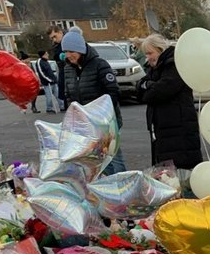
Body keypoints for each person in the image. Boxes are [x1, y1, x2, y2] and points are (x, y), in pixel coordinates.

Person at [61, 29, 126, 175]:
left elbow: (113, 91)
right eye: (66, 51)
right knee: (99, 160)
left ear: (81, 50)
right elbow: (69, 95)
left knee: (114, 157)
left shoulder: (99, 64)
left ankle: (123, 186)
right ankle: (108, 189)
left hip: (105, 122)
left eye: (72, 51)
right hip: (85, 124)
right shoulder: (68, 69)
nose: (68, 55)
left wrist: (102, 114)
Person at [137, 33, 201, 170]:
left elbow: (159, 91)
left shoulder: (174, 66)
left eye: (150, 53)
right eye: (146, 54)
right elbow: (140, 87)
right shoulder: (156, 68)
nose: (148, 58)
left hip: (178, 128)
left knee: (181, 169)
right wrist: (148, 85)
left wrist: (148, 86)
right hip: (164, 129)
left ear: (160, 50)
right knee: (167, 171)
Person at [48, 25, 66, 109]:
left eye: (54, 36)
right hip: (62, 70)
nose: (54, 39)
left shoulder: (68, 42)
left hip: (70, 71)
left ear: (60, 32)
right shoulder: (56, 45)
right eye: (52, 38)